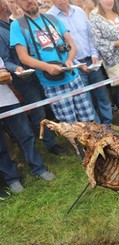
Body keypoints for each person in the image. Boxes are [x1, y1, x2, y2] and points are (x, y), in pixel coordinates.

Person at [10, 0, 95, 123]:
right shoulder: (17, 25)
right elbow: (23, 57)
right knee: (69, 125)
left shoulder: (52, 18)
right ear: (18, 3)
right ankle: (77, 143)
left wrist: (69, 60)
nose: (29, 1)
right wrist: (47, 67)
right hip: (52, 83)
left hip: (73, 77)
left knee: (88, 118)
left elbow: (71, 43)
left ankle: (93, 142)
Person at [0, 0, 66, 155]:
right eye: (8, 2)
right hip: (27, 79)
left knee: (53, 104)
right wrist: (16, 68)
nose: (12, 4)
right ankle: (50, 144)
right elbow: (5, 60)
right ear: (2, 7)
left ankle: (63, 133)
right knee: (38, 111)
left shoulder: (14, 23)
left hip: (41, 71)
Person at [47, 0, 115, 127]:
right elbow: (58, 46)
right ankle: (98, 129)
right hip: (73, 66)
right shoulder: (50, 18)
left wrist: (95, 54)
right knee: (86, 101)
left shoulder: (78, 11)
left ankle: (108, 124)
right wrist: (76, 63)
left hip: (92, 60)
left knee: (102, 95)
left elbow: (90, 35)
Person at [0, 57, 56, 194]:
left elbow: (2, 70)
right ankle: (12, 179)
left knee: (25, 135)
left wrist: (6, 77)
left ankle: (38, 168)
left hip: (7, 100)